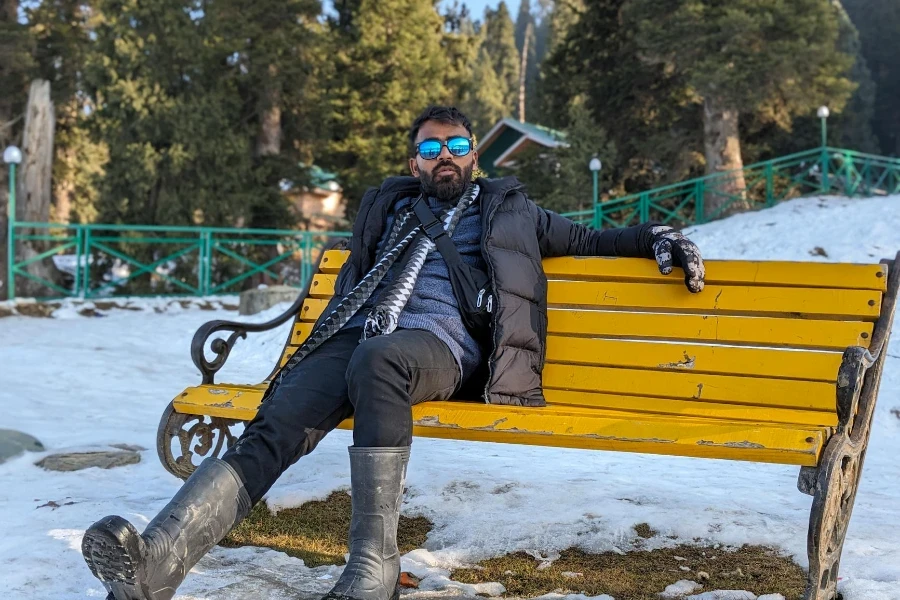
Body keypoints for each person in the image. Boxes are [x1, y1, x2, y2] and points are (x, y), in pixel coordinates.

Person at [81, 105, 705, 600]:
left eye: (457, 146)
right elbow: (356, 278)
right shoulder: (390, 205)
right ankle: (158, 562)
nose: (445, 157)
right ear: (415, 161)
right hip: (361, 337)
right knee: (276, 423)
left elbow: (594, 235)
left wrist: (659, 237)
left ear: (474, 155)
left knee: (381, 360)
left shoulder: (511, 211)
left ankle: (374, 568)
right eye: (431, 148)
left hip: (442, 348)